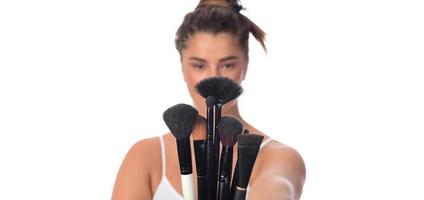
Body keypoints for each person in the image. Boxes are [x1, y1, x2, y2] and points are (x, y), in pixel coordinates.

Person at [111, 0, 306, 199]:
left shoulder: (277, 157)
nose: (213, 76)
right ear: (182, 66)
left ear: (245, 65)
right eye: (199, 65)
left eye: (227, 65)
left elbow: (276, 190)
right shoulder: (145, 156)